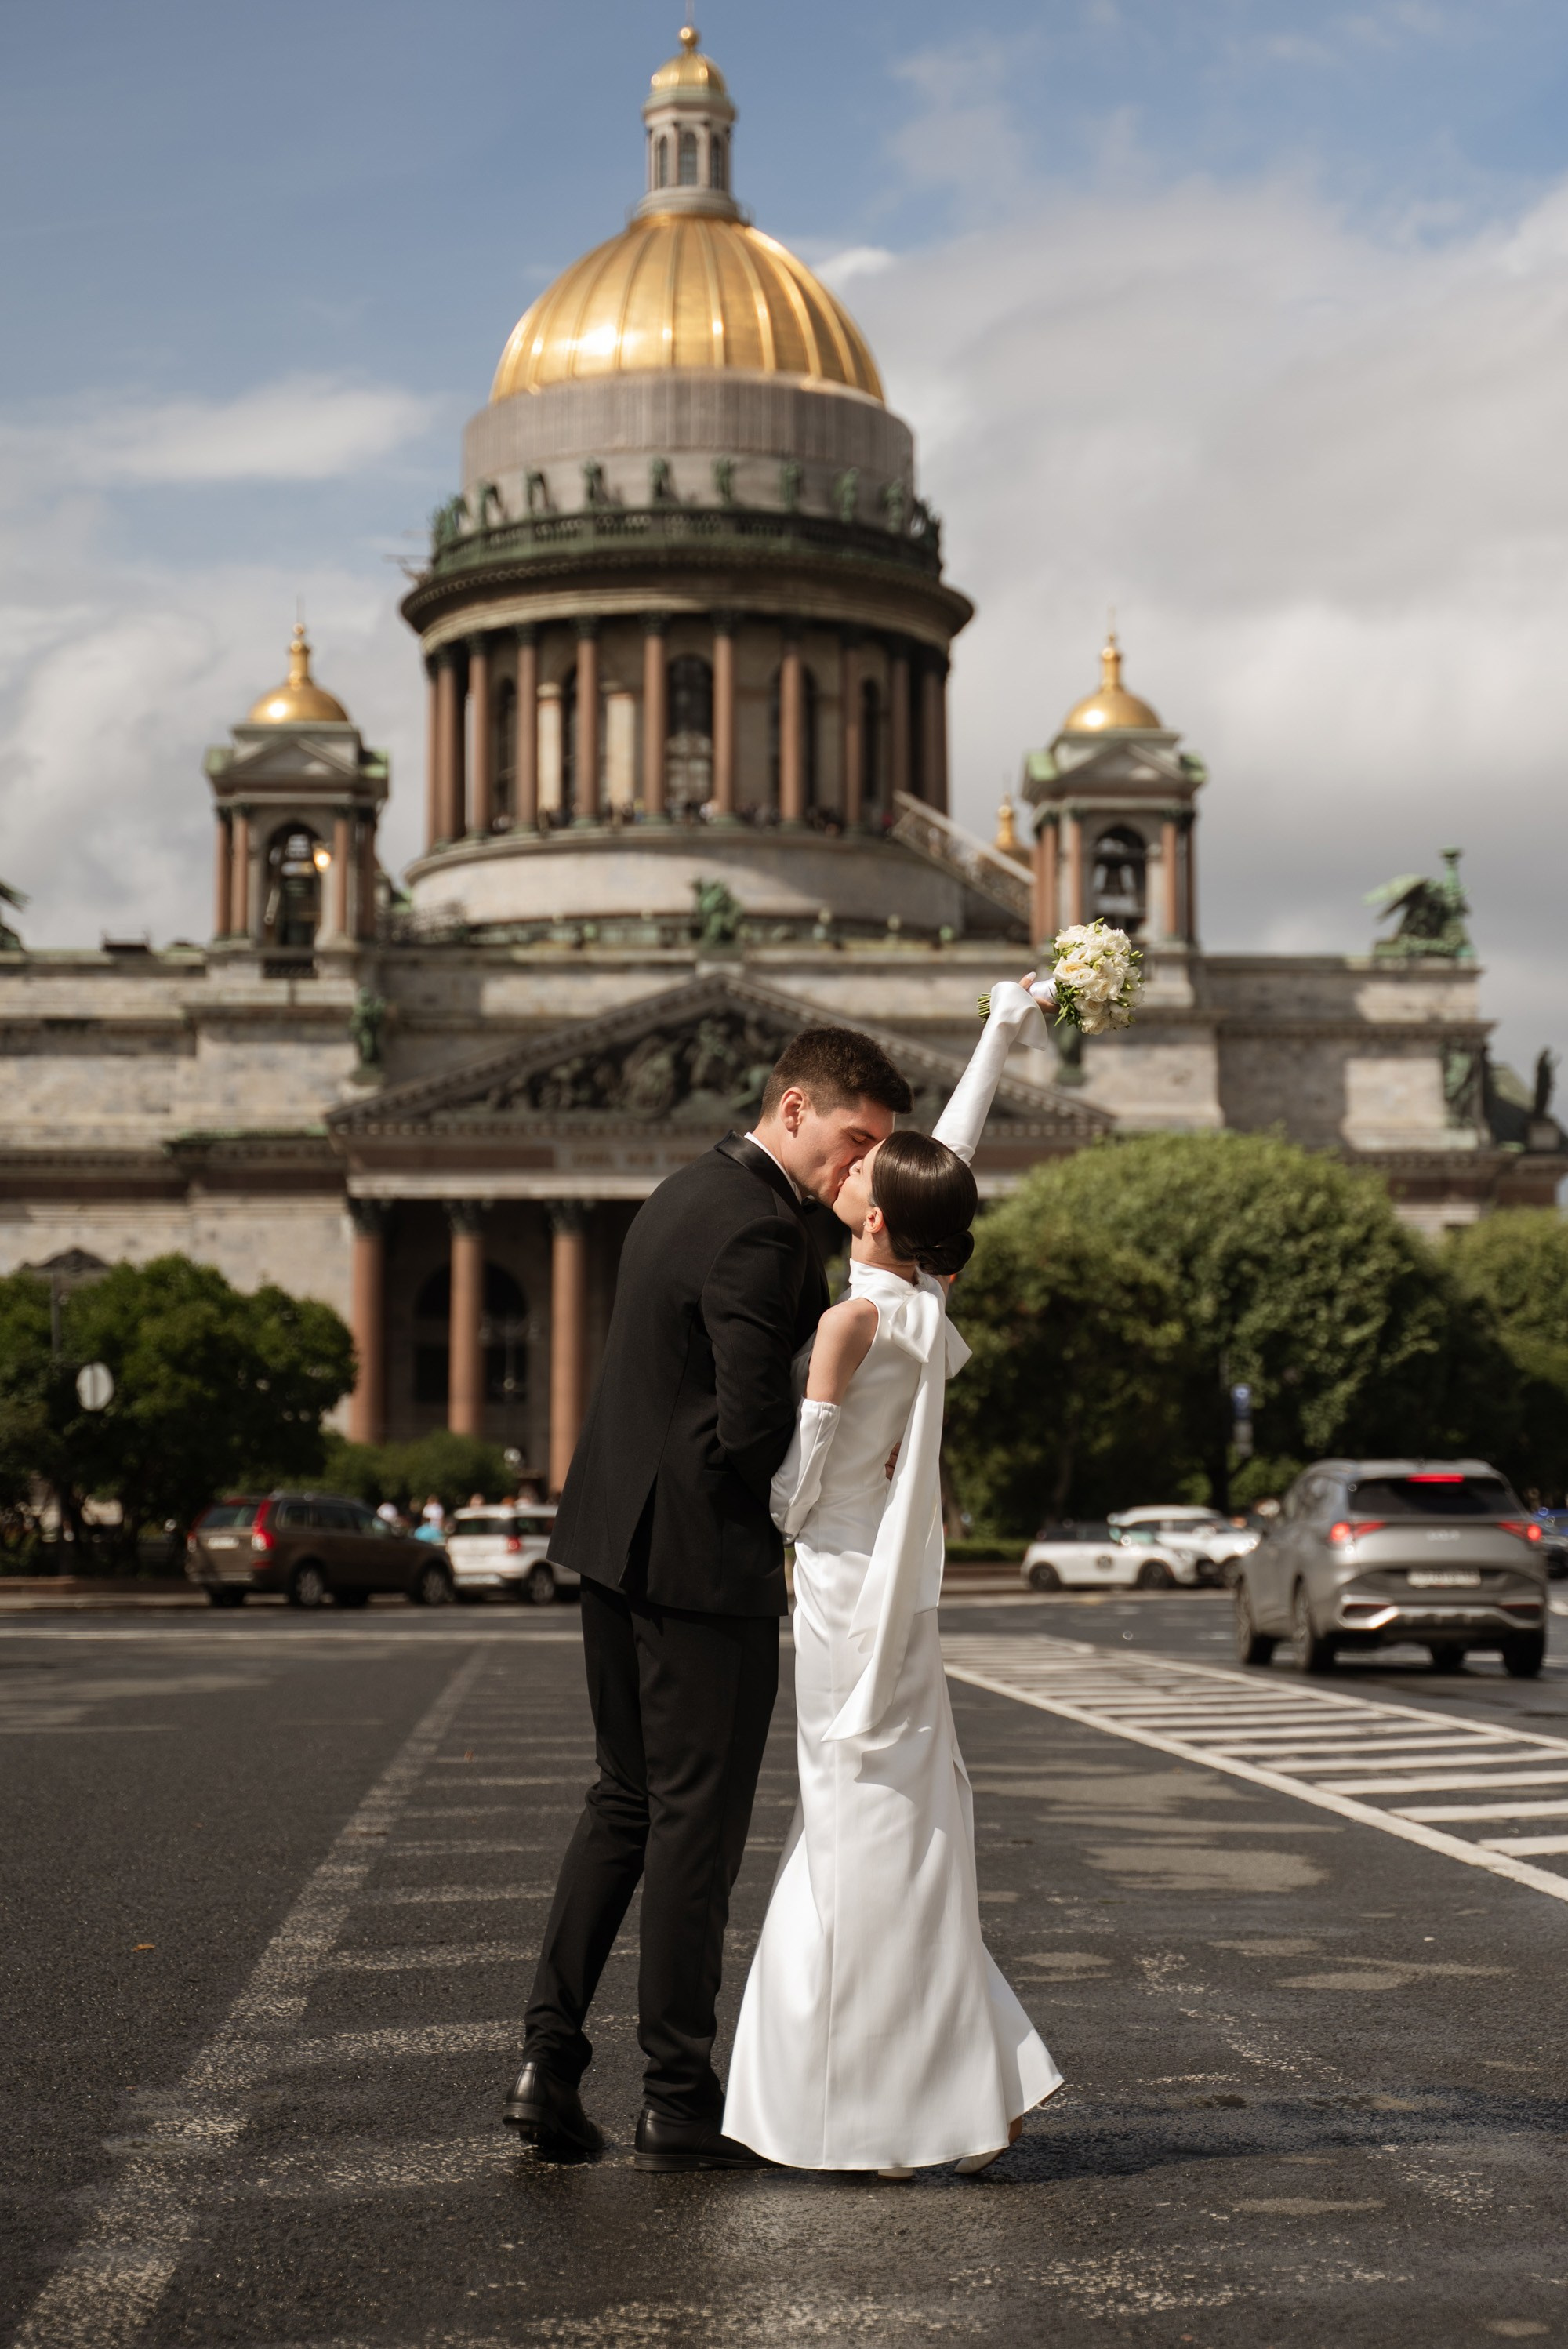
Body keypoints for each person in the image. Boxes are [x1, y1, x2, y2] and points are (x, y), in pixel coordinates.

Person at [503, 1025, 913, 2172]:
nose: (859, 1171)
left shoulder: (681, 1191)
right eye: (851, 1141)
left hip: (610, 1545)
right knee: (694, 1833)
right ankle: (680, 2100)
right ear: (793, 1110)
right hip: (701, 1567)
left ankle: (549, 2062)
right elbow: (748, 1431)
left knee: (624, 1806)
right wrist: (825, 1491)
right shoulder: (759, 1234)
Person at [724, 978, 1063, 2177]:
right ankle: (971, 2079)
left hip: (840, 1597)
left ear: (874, 1222)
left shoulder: (846, 1327)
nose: (850, 1167)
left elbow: (791, 1495)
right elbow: (949, 1161)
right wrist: (1000, 1028)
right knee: (905, 1829)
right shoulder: (924, 1295)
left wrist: (763, 1465)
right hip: (905, 1608)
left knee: (855, 1834)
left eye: (866, 1170)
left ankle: (879, 2102)